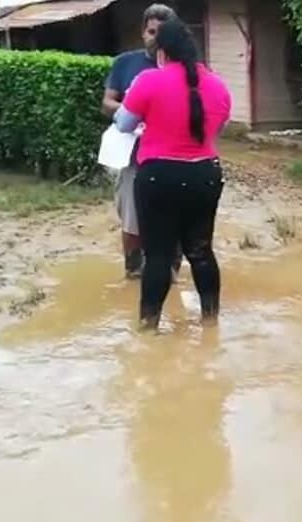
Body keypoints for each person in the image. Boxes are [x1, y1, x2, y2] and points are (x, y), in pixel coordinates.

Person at [114, 18, 232, 330]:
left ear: (162, 52)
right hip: (205, 175)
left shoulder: (148, 80)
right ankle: (210, 324)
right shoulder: (218, 86)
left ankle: (148, 327)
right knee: (201, 251)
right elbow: (216, 130)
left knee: (158, 256)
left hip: (158, 176)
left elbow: (124, 123)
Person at [101, 3, 178, 279]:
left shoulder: (185, 68)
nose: (156, 39)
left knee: (173, 216)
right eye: (151, 32)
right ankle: (133, 271)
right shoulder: (125, 63)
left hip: (173, 157)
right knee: (131, 216)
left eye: (163, 33)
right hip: (132, 153)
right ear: (143, 32)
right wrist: (132, 112)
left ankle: (170, 271)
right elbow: (107, 103)